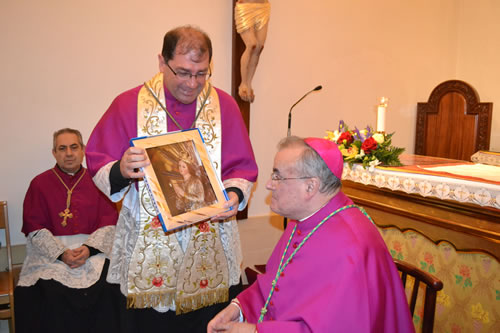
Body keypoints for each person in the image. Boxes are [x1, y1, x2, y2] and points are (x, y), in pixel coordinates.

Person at [85, 25, 258, 333]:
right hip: (148, 243)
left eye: (201, 73)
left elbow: (241, 167)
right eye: (182, 72)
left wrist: (233, 196)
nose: (192, 83)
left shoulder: (224, 105)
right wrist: (121, 168)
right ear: (161, 63)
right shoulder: (128, 104)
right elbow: (99, 162)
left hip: (211, 239)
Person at [208, 136, 415, 333]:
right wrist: (238, 307)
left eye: (278, 176)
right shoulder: (306, 218)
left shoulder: (349, 249)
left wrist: (253, 330)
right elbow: (275, 283)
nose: (269, 184)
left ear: (310, 186)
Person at [14, 128, 119, 333]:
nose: (69, 153)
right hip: (52, 253)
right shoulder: (39, 184)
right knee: (45, 293)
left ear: (83, 150)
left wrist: (89, 249)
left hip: (93, 250)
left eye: (74, 147)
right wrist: (62, 253)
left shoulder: (98, 180)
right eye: (62, 148)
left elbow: (109, 224)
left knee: (110, 288)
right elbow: (35, 227)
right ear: (54, 153)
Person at [234, 0, 271, 103]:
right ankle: (243, 83)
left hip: (263, 7)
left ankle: (249, 83)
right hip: (246, 6)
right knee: (252, 45)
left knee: (259, 47)